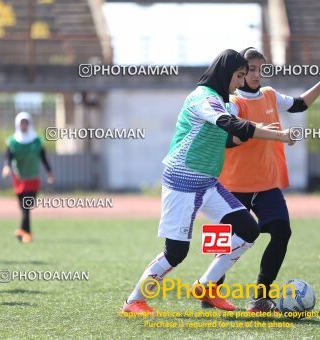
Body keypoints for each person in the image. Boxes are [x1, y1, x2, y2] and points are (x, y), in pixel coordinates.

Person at [122, 49, 296, 314]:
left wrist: (258, 133)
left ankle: (206, 285)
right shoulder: (204, 98)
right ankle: (134, 300)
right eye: (238, 76)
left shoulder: (221, 100)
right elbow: (230, 124)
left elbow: (231, 135)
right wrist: (277, 136)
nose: (240, 82)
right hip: (182, 181)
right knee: (176, 253)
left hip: (207, 182)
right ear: (225, 73)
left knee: (248, 231)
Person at [217, 47, 320, 311]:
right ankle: (211, 289)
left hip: (266, 184)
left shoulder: (269, 95)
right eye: (251, 70)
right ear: (240, 73)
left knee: (282, 232)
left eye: (261, 69)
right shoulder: (233, 103)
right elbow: (225, 140)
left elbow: (300, 104)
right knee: (225, 241)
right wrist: (259, 133)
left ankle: (260, 296)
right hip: (234, 186)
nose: (257, 74)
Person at [2, 112, 54, 243]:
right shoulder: (13, 141)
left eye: (26, 123)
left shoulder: (36, 141)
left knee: (26, 206)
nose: (24, 125)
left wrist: (49, 172)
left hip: (32, 179)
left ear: (29, 124)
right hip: (19, 178)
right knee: (23, 206)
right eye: (21, 123)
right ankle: (26, 232)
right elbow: (8, 157)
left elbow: (43, 157)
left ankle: (24, 232)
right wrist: (7, 167)